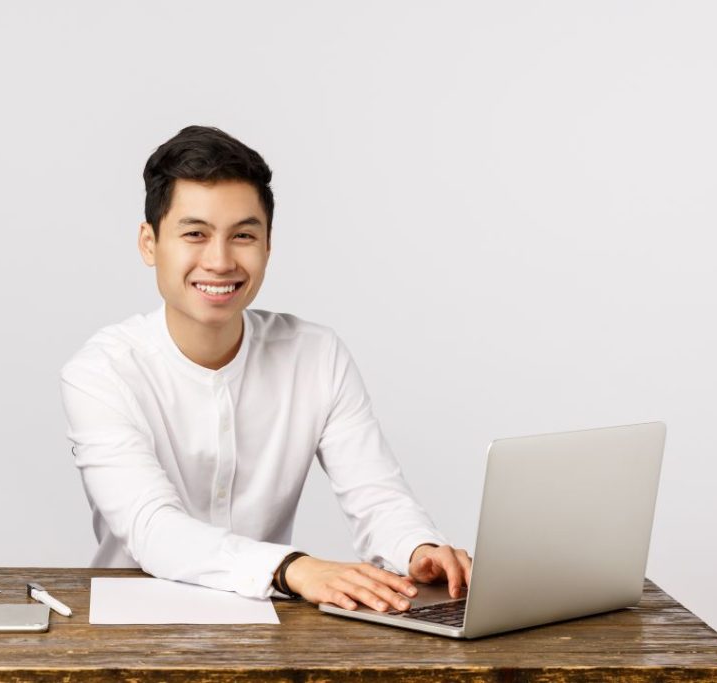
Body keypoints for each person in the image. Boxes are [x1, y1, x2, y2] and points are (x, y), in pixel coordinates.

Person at [60, 125, 472, 613]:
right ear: (149, 244)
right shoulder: (102, 371)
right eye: (195, 234)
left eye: (243, 236)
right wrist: (291, 568)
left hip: (266, 627)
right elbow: (153, 529)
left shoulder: (315, 355)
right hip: (133, 624)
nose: (219, 260)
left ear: (268, 245)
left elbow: (377, 497)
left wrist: (417, 548)